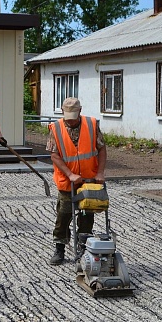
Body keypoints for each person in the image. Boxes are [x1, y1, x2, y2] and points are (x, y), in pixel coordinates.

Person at [46, 97, 107, 265]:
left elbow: (101, 149)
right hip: (67, 181)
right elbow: (54, 155)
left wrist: (100, 172)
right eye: (68, 117)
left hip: (90, 179)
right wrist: (70, 174)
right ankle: (59, 248)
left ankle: (82, 247)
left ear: (80, 111)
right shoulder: (56, 128)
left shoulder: (92, 125)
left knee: (87, 213)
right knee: (64, 214)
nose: (71, 121)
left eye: (74, 117)